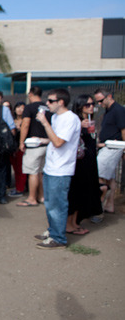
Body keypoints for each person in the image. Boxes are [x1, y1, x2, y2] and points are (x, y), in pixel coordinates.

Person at [35, 88, 81, 249]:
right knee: (49, 203)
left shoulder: (70, 119)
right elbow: (54, 138)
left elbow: (59, 142)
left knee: (57, 205)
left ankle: (59, 238)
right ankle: (53, 230)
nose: (47, 104)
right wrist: (42, 139)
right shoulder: (56, 117)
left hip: (61, 169)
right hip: (51, 166)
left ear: (61, 102)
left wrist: (45, 123)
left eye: (51, 101)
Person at [66, 95, 104, 235]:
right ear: (80, 105)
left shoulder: (91, 121)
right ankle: (69, 224)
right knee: (75, 193)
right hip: (78, 163)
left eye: (92, 104)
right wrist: (80, 126)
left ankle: (76, 222)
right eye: (87, 104)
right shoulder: (76, 121)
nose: (91, 107)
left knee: (83, 193)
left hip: (89, 162)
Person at [17, 86, 51, 207]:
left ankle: (32, 198)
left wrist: (21, 142)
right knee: (41, 171)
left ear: (30, 94)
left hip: (33, 145)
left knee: (32, 172)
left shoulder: (29, 107)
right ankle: (42, 196)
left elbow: (25, 125)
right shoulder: (48, 107)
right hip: (47, 143)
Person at [93, 88, 125, 214]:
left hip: (113, 147)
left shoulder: (118, 110)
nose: (99, 104)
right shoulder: (108, 111)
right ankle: (109, 205)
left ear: (109, 96)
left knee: (99, 174)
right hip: (108, 146)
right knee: (110, 177)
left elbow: (123, 130)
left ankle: (99, 205)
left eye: (101, 101)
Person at [8, 101, 27, 198]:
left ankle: (20, 189)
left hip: (21, 148)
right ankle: (18, 187)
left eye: (22, 108)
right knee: (16, 169)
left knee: (21, 169)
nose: (20, 109)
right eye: (18, 107)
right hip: (12, 148)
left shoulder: (26, 121)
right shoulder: (11, 120)